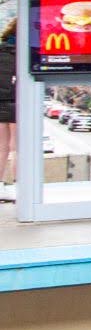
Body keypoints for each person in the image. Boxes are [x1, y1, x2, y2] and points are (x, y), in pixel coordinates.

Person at [0, 19, 16, 201]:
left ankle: (0, 185)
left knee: (2, 146)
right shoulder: (22, 53)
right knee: (16, 148)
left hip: (0, 101)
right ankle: (20, 185)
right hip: (16, 101)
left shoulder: (1, 50)